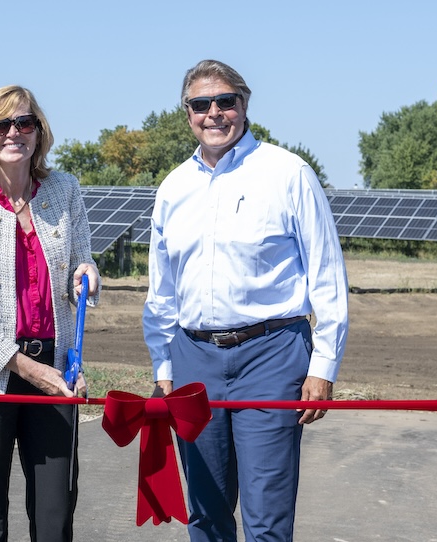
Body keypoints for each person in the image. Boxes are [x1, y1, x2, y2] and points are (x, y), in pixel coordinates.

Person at [142, 60, 349, 541]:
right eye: (200, 104)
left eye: (225, 101)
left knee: (267, 515)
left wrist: (324, 365)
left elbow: (327, 274)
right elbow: (162, 291)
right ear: (187, 112)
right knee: (206, 512)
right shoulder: (174, 188)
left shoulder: (288, 173)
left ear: (244, 104)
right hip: (193, 359)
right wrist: (164, 369)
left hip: (272, 355)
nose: (213, 113)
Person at [0, 84, 101, 542]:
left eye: (24, 122)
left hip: (55, 367)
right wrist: (26, 368)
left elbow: (82, 264)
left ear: (39, 132)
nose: (14, 132)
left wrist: (87, 275)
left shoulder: (64, 190)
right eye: (1, 124)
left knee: (55, 517)